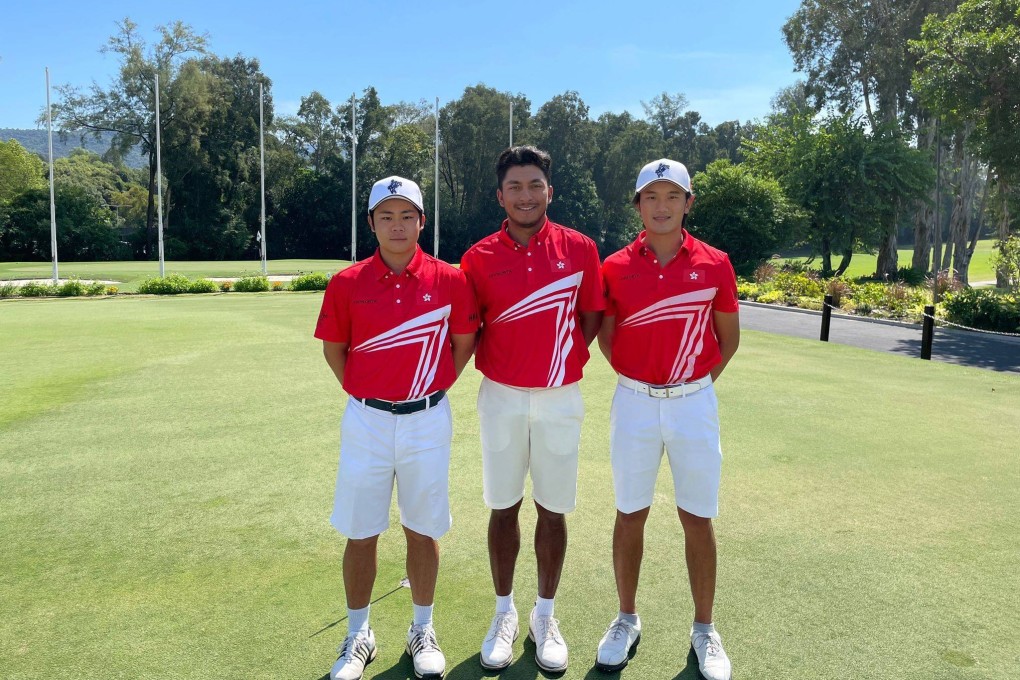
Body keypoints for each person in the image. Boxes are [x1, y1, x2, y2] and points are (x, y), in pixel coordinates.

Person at [315, 176, 478, 680]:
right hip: (366, 420)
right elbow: (335, 351)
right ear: (371, 223)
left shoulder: (450, 280)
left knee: (423, 528)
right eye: (386, 216)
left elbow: (464, 342)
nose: (397, 225)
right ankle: (358, 634)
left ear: (422, 221)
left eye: (407, 215)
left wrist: (429, 389)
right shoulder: (347, 283)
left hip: (427, 419)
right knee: (361, 530)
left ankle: (421, 629)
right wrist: (370, 394)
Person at [459, 145, 605, 673]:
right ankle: (504, 613)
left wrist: (560, 360)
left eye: (534, 185)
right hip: (500, 395)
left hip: (560, 397)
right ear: (500, 196)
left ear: (550, 190)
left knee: (553, 507)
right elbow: (470, 327)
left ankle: (545, 615)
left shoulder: (580, 249)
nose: (526, 195)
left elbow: (590, 317)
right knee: (502, 506)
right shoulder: (477, 258)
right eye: (515, 187)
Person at [594, 159, 740, 679]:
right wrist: (644, 382)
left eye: (672, 196)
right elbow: (607, 337)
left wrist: (688, 386)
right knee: (629, 512)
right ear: (638, 205)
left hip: (694, 403)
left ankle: (705, 629)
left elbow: (728, 340)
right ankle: (625, 618)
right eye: (651, 197)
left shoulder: (716, 263)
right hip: (633, 401)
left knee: (697, 516)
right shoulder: (614, 266)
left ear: (688, 203)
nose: (662, 206)